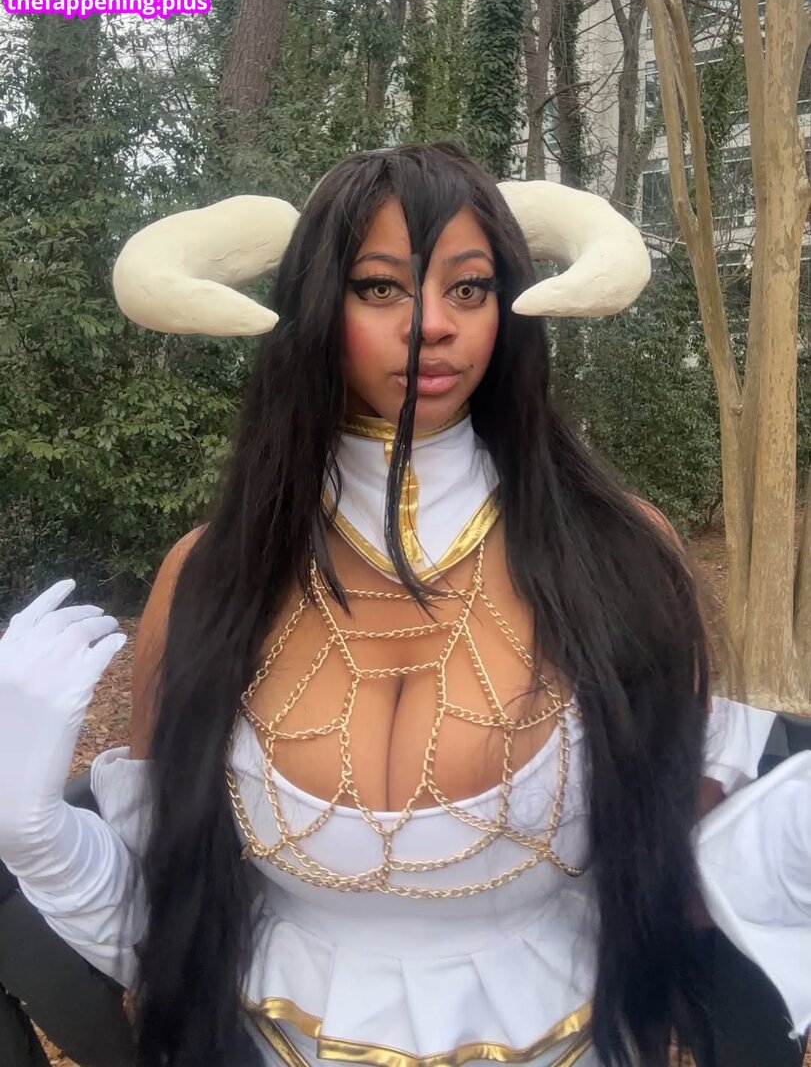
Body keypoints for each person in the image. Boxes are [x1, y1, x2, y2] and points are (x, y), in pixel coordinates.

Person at [0, 143, 808, 1067]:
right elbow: (168, 921)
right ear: (316, 305)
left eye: (468, 288)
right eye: (379, 287)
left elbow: (681, 880)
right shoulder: (212, 575)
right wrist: (33, 833)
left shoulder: (618, 555)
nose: (432, 325)